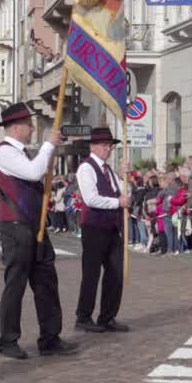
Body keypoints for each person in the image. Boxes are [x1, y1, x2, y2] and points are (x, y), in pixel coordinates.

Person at [0, 102, 77, 360]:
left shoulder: (23, 152)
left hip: (34, 225)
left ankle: (50, 337)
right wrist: (49, 144)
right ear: (16, 128)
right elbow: (32, 172)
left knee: (46, 282)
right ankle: (8, 339)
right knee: (15, 284)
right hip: (16, 226)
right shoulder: (5, 152)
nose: (32, 129)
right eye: (29, 125)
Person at [73, 127, 130, 334]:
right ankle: (83, 316)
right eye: (105, 145)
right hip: (94, 228)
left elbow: (126, 194)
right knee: (91, 273)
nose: (108, 149)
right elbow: (91, 198)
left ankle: (107, 316)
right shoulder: (86, 168)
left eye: (110, 146)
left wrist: (126, 177)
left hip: (112, 228)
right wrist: (118, 202)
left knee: (116, 273)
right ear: (94, 146)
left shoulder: (110, 172)